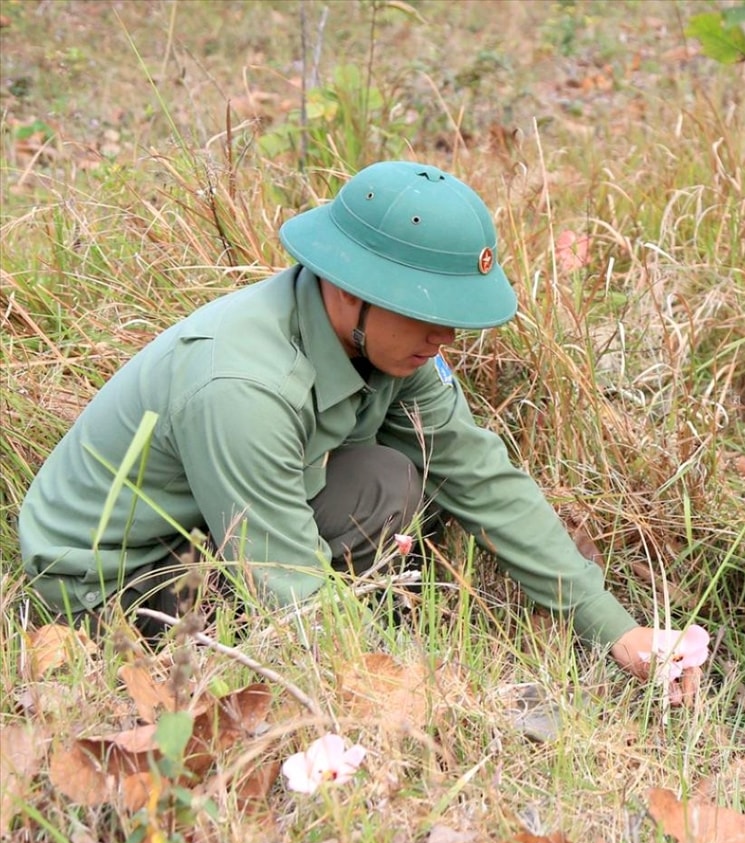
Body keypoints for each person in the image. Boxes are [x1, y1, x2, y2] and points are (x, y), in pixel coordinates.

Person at [20, 161, 689, 702]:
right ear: (346, 289)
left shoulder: (390, 343)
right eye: (423, 310)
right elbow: (285, 577)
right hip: (109, 583)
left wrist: (617, 630)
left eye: (453, 316)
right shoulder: (243, 386)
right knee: (334, 585)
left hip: (217, 526)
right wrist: (429, 694)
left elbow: (480, 477)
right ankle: (293, 675)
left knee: (393, 481)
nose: (444, 336)